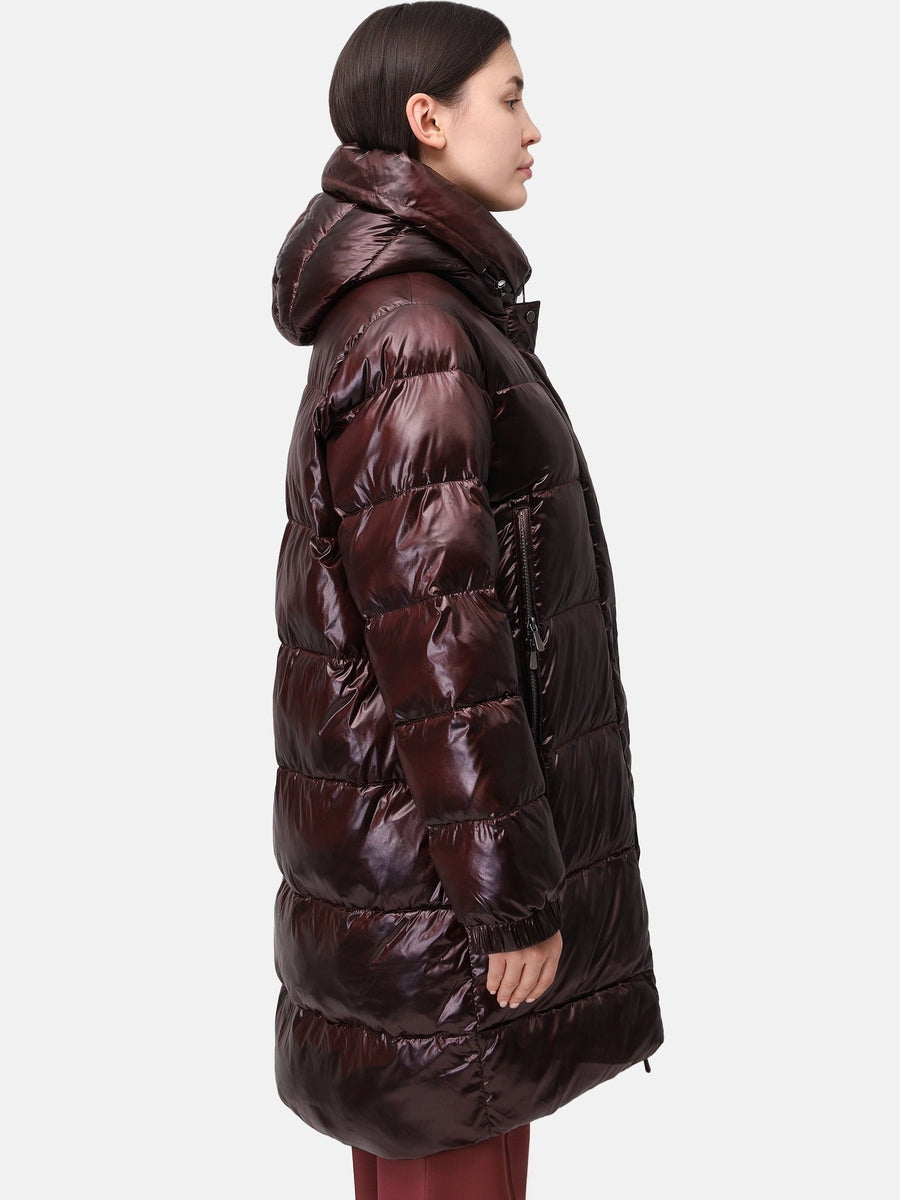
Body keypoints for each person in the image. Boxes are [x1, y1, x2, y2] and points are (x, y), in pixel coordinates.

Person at [270, 4, 664, 1196]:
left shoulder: (412, 316)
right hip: (444, 906)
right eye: (510, 97)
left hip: (411, 890)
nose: (534, 129)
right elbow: (442, 651)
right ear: (426, 120)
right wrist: (510, 900)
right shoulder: (419, 336)